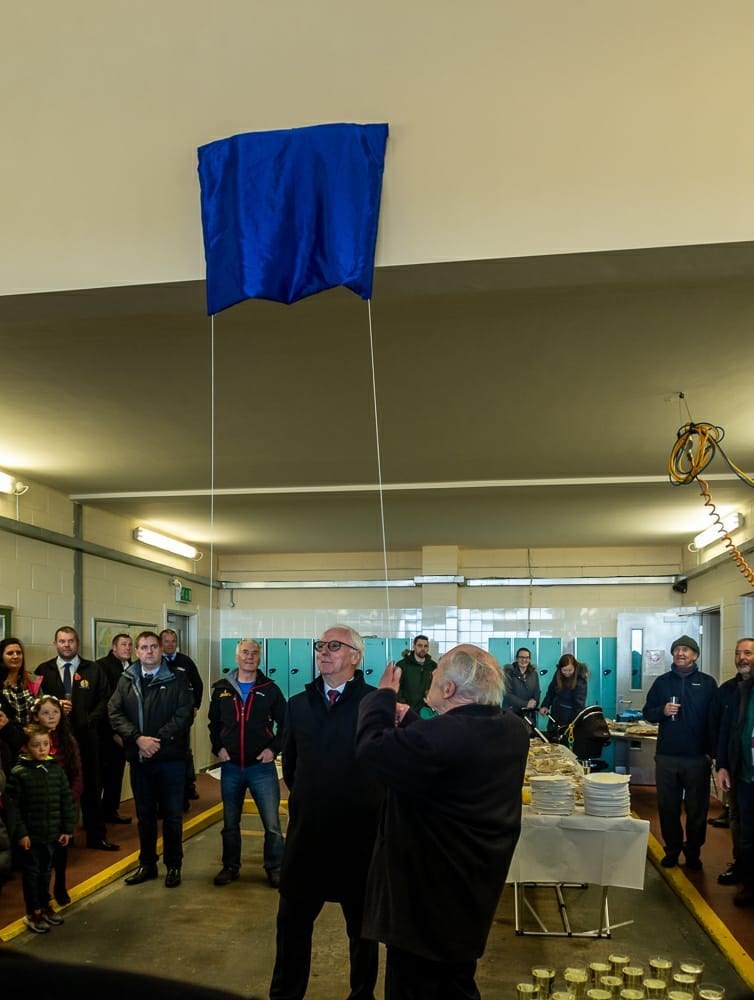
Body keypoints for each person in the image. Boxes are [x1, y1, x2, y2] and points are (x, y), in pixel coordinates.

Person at [356, 645, 529, 1000]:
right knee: (456, 981)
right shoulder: (512, 729)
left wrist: (383, 698)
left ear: (449, 690)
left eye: (435, 679)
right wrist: (412, 723)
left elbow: (372, 750)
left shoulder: (443, 738)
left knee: (415, 986)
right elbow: (451, 757)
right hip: (472, 888)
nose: (429, 683)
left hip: (427, 898)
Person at [269, 625, 382, 1000]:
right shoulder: (298, 705)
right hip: (309, 836)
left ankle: (361, 995)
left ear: (355, 656)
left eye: (335, 646)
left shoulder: (373, 703)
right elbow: (291, 763)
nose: (324, 652)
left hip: (358, 837)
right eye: (320, 646)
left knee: (362, 933)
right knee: (291, 926)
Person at [108, 631, 194, 888]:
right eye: (144, 647)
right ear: (137, 652)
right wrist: (137, 739)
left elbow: (184, 714)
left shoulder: (178, 678)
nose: (149, 651)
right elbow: (114, 712)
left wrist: (155, 741)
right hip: (140, 760)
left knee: (172, 816)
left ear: (161, 650)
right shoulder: (127, 680)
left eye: (153, 646)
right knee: (144, 815)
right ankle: (147, 864)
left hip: (171, 759)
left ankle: (173, 865)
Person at [208, 638, 286, 887]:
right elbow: (214, 724)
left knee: (272, 825)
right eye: (245, 652)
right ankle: (230, 867)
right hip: (231, 767)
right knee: (230, 823)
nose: (250, 656)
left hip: (260, 768)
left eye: (254, 652)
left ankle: (275, 868)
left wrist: (273, 749)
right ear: (236, 657)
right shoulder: (222, 689)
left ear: (260, 657)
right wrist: (217, 747)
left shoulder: (270, 689)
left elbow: (286, 725)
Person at [35, 626, 117, 851]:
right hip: (55, 740)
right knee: (59, 789)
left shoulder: (94, 669)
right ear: (55, 644)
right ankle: (62, 838)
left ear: (77, 643)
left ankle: (96, 836)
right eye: (62, 641)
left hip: (89, 737)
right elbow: (36, 700)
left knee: (92, 786)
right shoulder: (44, 670)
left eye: (70, 641)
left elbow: (105, 698)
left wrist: (91, 719)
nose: (66, 645)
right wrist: (54, 705)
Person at [643, 634, 718, 870]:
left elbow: (715, 720)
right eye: (677, 650)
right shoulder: (662, 682)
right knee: (668, 808)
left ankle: (693, 852)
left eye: (686, 650)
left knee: (697, 809)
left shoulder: (707, 683)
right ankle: (672, 850)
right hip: (667, 756)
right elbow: (647, 712)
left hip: (697, 758)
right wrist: (662, 710)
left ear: (695, 655)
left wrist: (711, 753)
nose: (681, 653)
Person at [5, 724, 74, 933]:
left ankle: (45, 906)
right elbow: (13, 808)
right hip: (31, 837)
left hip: (52, 834)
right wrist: (21, 833)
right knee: (32, 874)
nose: (42, 749)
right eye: (36, 745)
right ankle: (32, 912)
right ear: (25, 748)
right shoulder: (19, 774)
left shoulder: (55, 769)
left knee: (46, 872)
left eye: (46, 744)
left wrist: (67, 828)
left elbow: (65, 800)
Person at [31, 694, 83, 906]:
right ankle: (41, 896)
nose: (51, 717)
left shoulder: (68, 740)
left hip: (64, 804)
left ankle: (60, 886)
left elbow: (77, 774)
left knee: (62, 851)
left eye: (55, 712)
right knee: (42, 855)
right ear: (36, 717)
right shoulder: (33, 742)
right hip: (41, 806)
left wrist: (69, 798)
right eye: (45, 713)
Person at [711, 637, 754, 887]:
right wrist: (722, 764)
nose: (742, 658)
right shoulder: (731, 690)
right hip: (742, 773)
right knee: (742, 827)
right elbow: (723, 730)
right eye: (738, 653)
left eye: (747, 653)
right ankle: (744, 875)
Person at [160, 628, 204, 806]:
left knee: (183, 751)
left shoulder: (185, 661)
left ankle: (187, 788)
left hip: (182, 715)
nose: (170, 645)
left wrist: (195, 706)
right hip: (162, 716)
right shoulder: (156, 661)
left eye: (173, 641)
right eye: (166, 641)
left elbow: (198, 684)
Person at [97, 633, 133, 824]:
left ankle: (111, 810)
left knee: (116, 774)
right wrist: (113, 733)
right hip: (107, 732)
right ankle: (96, 816)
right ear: (114, 647)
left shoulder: (134, 667)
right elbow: (106, 703)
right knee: (102, 774)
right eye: (123, 645)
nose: (127, 648)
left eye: (129, 645)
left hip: (126, 730)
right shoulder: (102, 667)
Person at [539, 653, 587, 730]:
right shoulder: (558, 674)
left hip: (570, 719)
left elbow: (579, 705)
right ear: (560, 668)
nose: (567, 673)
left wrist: (572, 724)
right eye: (564, 670)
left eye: (570, 670)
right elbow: (551, 691)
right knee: (552, 739)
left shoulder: (580, 680)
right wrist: (545, 705)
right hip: (555, 715)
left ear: (575, 667)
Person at [1, 637, 37, 727]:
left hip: (30, 737)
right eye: (10, 653)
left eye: (19, 653)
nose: (15, 656)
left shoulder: (33, 681)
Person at [395, 635, 437, 713]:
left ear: (428, 648)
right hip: (407, 710)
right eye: (420, 645)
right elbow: (396, 687)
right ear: (414, 646)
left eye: (425, 646)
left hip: (426, 711)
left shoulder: (433, 666)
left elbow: (437, 686)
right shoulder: (402, 665)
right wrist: (403, 704)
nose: (423, 649)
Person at [503, 646, 541, 722]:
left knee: (528, 733)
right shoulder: (508, 673)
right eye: (521, 657)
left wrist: (534, 702)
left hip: (529, 714)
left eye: (527, 657)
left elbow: (537, 691)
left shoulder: (534, 674)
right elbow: (507, 695)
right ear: (516, 658)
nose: (524, 660)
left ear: (529, 659)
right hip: (512, 713)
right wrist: (526, 703)